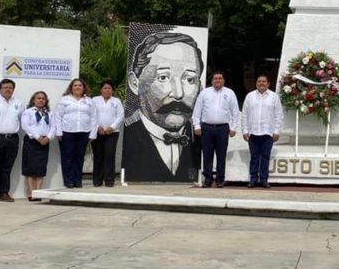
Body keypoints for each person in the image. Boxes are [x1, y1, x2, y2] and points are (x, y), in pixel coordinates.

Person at [124, 31, 203, 182]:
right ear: (135, 83)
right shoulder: (129, 134)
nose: (179, 94)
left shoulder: (197, 136)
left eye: (190, 79)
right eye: (163, 77)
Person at [192, 71, 239, 188]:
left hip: (223, 128)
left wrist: (233, 128)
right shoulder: (205, 93)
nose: (218, 80)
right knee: (207, 155)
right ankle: (207, 180)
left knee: (221, 155)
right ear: (212, 81)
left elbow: (235, 112)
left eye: (220, 78)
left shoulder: (230, 93)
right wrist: (196, 125)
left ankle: (219, 180)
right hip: (207, 128)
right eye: (215, 79)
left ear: (224, 80)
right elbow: (197, 110)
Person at [241, 74, 284, 188]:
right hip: (253, 132)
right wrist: (245, 130)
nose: (261, 83)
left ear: (268, 84)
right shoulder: (250, 96)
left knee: (265, 156)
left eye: (264, 81)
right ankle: (253, 179)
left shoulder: (274, 97)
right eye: (259, 81)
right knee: (254, 157)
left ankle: (264, 180)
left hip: (267, 132)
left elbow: (279, 115)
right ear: (256, 83)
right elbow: (244, 114)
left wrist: (276, 131)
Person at [55, 78, 97, 188]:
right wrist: (59, 131)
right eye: (75, 85)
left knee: (79, 157)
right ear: (71, 88)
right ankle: (68, 181)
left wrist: (93, 133)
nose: (78, 87)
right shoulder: (64, 100)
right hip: (67, 132)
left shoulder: (89, 101)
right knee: (68, 157)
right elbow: (58, 116)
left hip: (83, 132)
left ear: (83, 88)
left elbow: (94, 117)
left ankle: (78, 180)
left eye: (80, 85)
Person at [20, 91, 55, 202]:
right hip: (32, 141)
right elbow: (25, 126)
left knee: (41, 167)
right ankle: (31, 192)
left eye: (43, 98)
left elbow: (53, 127)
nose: (40, 100)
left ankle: (39, 192)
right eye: (38, 98)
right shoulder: (28, 112)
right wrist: (37, 137)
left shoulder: (49, 113)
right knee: (30, 167)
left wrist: (48, 138)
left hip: (45, 141)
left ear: (46, 101)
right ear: (33, 100)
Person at [92, 80, 124, 187]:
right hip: (97, 132)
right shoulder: (94, 100)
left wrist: (112, 127)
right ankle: (97, 180)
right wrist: (97, 127)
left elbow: (120, 116)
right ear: (101, 90)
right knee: (98, 155)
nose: (107, 90)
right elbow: (92, 115)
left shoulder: (117, 101)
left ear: (113, 90)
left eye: (109, 88)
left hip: (112, 132)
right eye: (105, 88)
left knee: (109, 155)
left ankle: (109, 180)